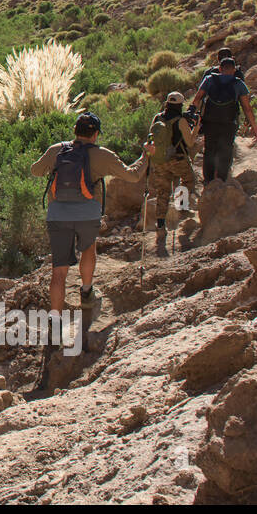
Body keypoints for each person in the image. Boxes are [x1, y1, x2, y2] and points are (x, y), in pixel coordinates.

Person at [30, 112, 154, 346]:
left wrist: (54, 167)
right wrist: (145, 155)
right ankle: (86, 292)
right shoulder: (103, 155)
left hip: (58, 215)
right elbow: (133, 175)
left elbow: (35, 170)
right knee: (88, 250)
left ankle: (55, 323)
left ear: (75, 131)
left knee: (59, 271)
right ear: (95, 134)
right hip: (88, 213)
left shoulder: (57, 150)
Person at [147, 91, 200, 256]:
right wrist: (197, 126)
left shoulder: (157, 118)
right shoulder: (181, 120)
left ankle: (161, 227)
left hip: (159, 162)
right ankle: (181, 206)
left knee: (163, 193)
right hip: (178, 160)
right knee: (189, 180)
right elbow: (190, 142)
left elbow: (150, 138)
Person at [191, 58, 257, 182]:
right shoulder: (238, 83)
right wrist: (254, 126)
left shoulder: (209, 79)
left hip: (210, 122)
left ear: (220, 69)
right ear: (234, 70)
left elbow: (197, 99)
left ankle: (208, 180)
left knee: (209, 149)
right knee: (226, 149)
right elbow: (247, 108)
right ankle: (221, 179)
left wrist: (192, 116)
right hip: (229, 123)